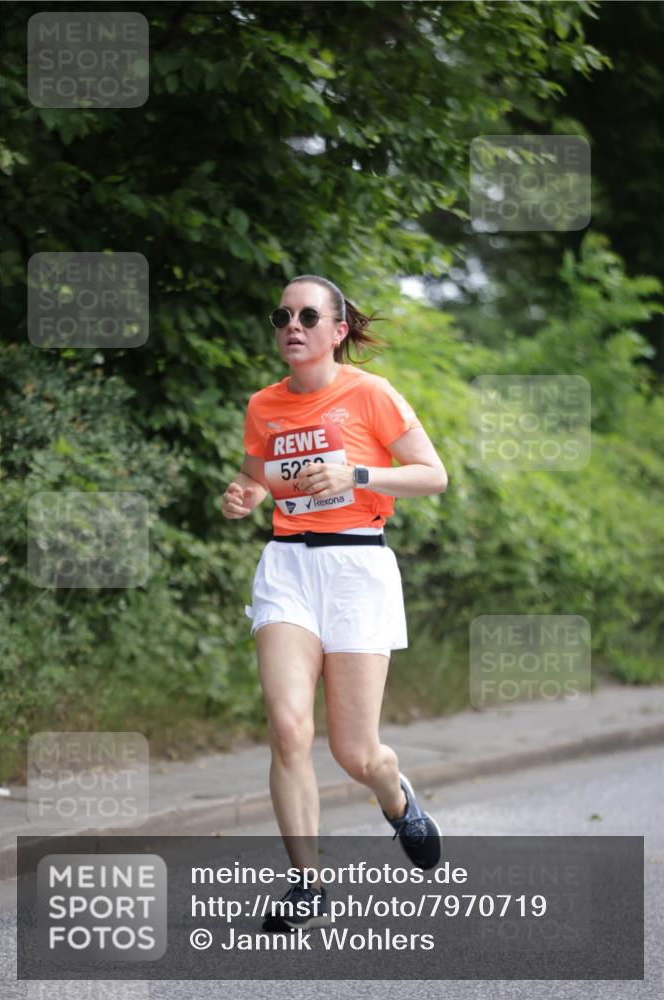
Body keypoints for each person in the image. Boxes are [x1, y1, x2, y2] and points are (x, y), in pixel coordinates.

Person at [220, 274, 448, 932]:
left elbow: (432, 475)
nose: (292, 326)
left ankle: (395, 797)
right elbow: (255, 476)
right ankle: (307, 885)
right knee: (288, 728)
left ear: (338, 330)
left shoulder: (370, 394)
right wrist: (243, 495)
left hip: (356, 568)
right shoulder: (264, 405)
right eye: (282, 316)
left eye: (307, 316)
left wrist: (357, 473)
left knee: (356, 754)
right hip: (287, 566)